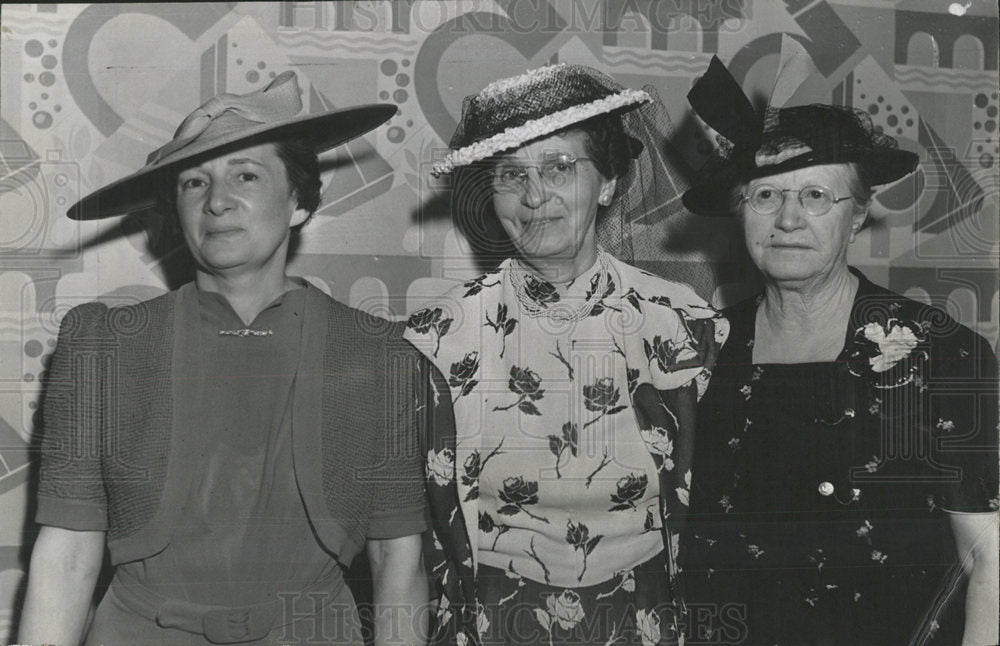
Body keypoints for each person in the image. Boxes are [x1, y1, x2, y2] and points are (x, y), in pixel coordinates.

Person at [20, 72, 429, 645]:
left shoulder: (376, 353)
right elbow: (66, 556)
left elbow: (398, 563)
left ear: (297, 201)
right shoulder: (103, 344)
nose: (217, 201)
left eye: (246, 175)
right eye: (194, 182)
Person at [404, 63, 729, 645]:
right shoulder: (438, 338)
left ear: (606, 183)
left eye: (559, 168)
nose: (534, 197)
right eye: (510, 174)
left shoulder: (683, 326)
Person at [680, 56, 999, 645]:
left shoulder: (941, 351)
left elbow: (989, 561)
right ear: (740, 212)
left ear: (857, 217)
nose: (789, 219)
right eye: (766, 195)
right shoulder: (699, 349)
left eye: (817, 196)